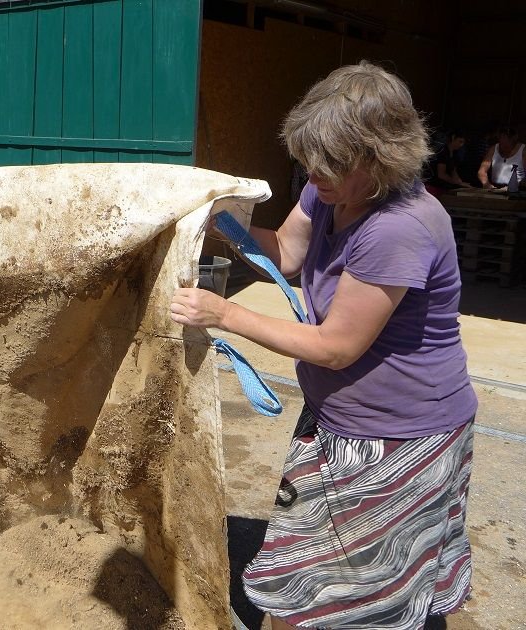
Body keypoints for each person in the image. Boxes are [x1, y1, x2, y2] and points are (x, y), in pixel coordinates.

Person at [170, 62, 477, 629]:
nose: (314, 172)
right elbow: (285, 252)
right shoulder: (329, 188)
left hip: (397, 435)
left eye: (331, 161)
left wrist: (225, 313)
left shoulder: (399, 226)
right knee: (316, 578)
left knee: (355, 595)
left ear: (381, 157)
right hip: (338, 418)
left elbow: (336, 346)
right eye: (309, 158)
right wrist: (218, 222)